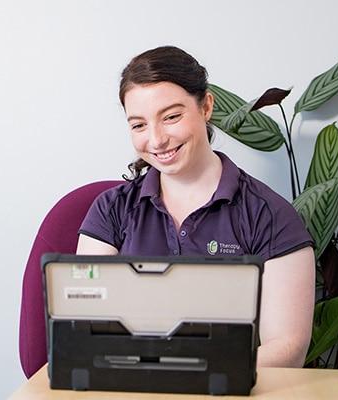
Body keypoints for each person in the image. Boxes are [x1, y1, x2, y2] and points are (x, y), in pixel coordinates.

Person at [76, 46, 315, 368]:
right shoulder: (111, 210)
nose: (157, 140)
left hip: (226, 388)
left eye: (171, 117)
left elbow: (288, 347)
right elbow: (84, 328)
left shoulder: (269, 215)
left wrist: (196, 373)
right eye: (139, 125)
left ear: (206, 107)